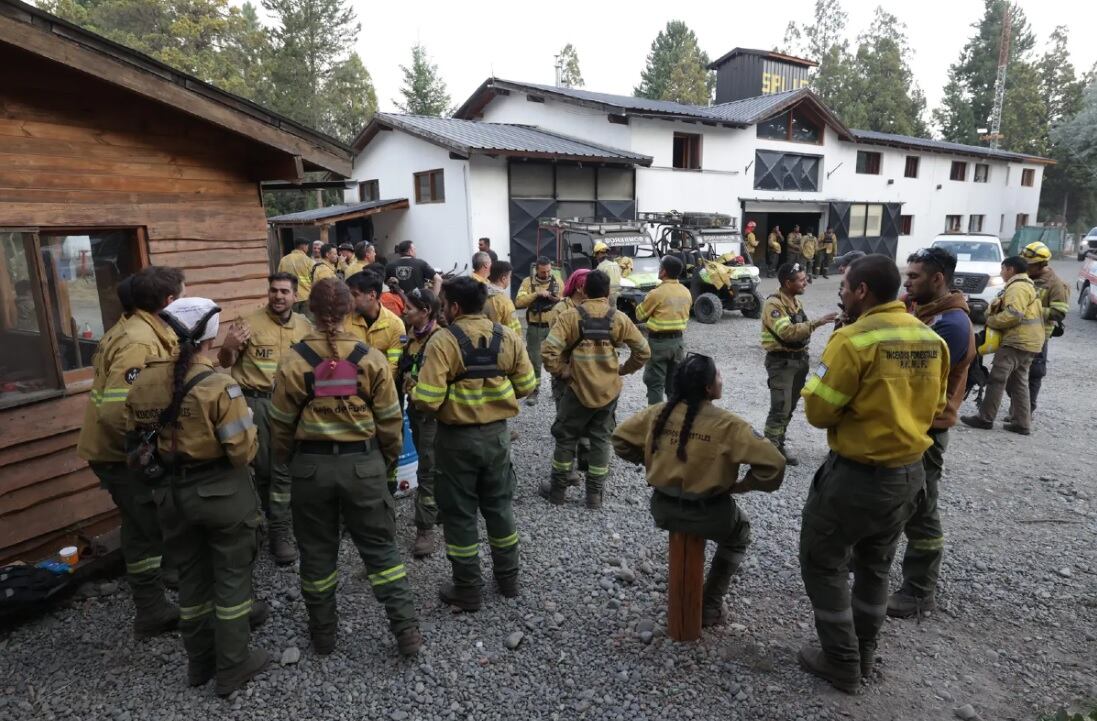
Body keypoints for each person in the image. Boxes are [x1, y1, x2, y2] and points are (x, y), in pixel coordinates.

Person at [797, 254, 949, 693]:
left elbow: (819, 411)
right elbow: (937, 408)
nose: (841, 293)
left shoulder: (852, 341)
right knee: (876, 566)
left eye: (845, 286)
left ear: (862, 291)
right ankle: (864, 652)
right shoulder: (930, 339)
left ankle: (841, 661)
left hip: (857, 478)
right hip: (907, 476)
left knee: (822, 562)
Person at [268, 278, 422, 657]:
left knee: (317, 554)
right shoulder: (370, 359)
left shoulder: (292, 360)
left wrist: (289, 461)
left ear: (312, 312)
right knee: (382, 553)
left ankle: (323, 637)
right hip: (364, 467)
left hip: (311, 470)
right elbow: (389, 423)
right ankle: (406, 634)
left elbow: (280, 426)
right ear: (350, 310)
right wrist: (382, 463)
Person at [124, 297, 270, 696]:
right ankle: (233, 665)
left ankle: (199, 663)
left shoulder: (144, 380)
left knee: (190, 580)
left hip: (170, 494)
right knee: (232, 579)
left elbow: (130, 431)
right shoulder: (221, 385)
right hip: (222, 494)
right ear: (210, 335)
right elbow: (242, 451)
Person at [612, 354, 786, 626]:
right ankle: (710, 603)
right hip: (710, 513)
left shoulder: (658, 412)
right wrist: (743, 485)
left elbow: (620, 439)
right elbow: (774, 463)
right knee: (740, 533)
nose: (721, 380)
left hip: (663, 509)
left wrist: (652, 460)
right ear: (708, 388)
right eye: (718, 376)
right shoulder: (729, 425)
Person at [411, 276, 537, 611]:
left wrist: (415, 387)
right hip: (496, 437)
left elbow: (428, 399)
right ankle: (508, 580)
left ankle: (467, 589)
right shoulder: (507, 336)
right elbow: (526, 384)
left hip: (456, 440)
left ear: (453, 306)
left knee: (459, 513)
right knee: (499, 507)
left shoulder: (442, 342)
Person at [76, 266, 183, 639]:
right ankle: (153, 608)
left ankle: (157, 597)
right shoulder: (140, 342)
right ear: (168, 301)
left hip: (119, 452)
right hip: (120, 455)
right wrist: (151, 446)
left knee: (143, 525)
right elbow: (115, 411)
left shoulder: (139, 329)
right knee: (147, 527)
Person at [888, 247, 975, 619]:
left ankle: (920, 590)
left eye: (914, 277)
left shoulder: (951, 325)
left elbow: (915, 378)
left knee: (922, 510)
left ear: (938, 279)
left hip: (927, 431)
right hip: (909, 425)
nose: (906, 283)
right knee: (894, 501)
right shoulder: (926, 312)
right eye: (906, 276)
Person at [217, 273, 311, 565]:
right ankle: (262, 528)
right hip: (257, 404)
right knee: (260, 470)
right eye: (273, 290)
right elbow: (225, 362)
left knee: (285, 469)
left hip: (293, 405)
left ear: (295, 296)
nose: (278, 296)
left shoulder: (305, 326)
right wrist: (230, 344)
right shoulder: (248, 323)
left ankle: (281, 530)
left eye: (284, 291)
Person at [540, 270, 650, 509]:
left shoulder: (570, 317)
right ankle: (594, 496)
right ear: (608, 292)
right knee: (601, 439)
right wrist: (622, 370)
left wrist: (562, 371)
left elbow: (548, 351)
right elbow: (643, 351)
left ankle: (558, 492)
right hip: (608, 392)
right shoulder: (619, 318)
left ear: (584, 290)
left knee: (566, 436)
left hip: (577, 390)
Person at [761, 263, 837, 466]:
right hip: (781, 363)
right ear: (788, 283)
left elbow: (799, 328)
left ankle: (778, 444)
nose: (806, 283)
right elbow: (787, 332)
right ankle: (768, 452)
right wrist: (817, 322)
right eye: (802, 280)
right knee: (780, 407)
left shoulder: (794, 302)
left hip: (798, 360)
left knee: (790, 406)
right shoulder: (773, 305)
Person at [960, 256, 1045, 435]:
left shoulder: (1017, 287)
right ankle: (1022, 423)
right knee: (1019, 382)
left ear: (1010, 269)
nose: (1001, 272)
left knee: (997, 379)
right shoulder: (1028, 285)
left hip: (1016, 341)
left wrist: (992, 321)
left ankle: (985, 418)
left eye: (1003, 269)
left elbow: (1014, 314)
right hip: (1031, 342)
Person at [398, 288, 444, 558]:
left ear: (426, 311)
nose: (404, 312)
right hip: (417, 414)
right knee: (432, 466)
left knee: (427, 470)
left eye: (410, 308)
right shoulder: (413, 339)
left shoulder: (440, 340)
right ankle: (438, 512)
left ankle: (425, 528)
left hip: (433, 416)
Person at [1021, 241, 1069, 414]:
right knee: (1016, 373)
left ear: (1042, 264)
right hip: (1020, 334)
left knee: (1034, 373)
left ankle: (1027, 411)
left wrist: (1032, 311)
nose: (1026, 268)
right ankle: (1019, 409)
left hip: (1040, 335)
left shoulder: (1055, 284)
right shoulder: (1027, 279)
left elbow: (1059, 312)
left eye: (1030, 265)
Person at [636, 255, 692, 405]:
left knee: (655, 383)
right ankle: (673, 418)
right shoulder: (686, 292)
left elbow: (640, 315)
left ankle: (655, 420)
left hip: (658, 344)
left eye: (660, 268)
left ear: (663, 272)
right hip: (678, 343)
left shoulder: (656, 293)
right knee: (673, 384)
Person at [514, 256, 562, 405]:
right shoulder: (528, 283)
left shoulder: (557, 282)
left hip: (553, 327)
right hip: (535, 327)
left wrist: (557, 299)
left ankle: (557, 389)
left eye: (548, 271)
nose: (546, 274)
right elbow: (519, 302)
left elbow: (566, 300)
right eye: (543, 272)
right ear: (537, 270)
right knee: (534, 360)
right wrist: (536, 294)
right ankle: (534, 390)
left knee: (556, 358)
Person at [345, 271, 406, 373]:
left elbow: (393, 364)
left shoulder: (395, 324)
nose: (349, 299)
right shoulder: (343, 320)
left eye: (355, 295)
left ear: (372, 295)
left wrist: (377, 386)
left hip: (381, 383)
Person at [487, 260, 522, 336]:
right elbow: (513, 328)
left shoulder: (481, 295)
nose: (510, 279)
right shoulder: (504, 301)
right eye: (510, 276)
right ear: (503, 279)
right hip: (503, 343)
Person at [278, 239, 314, 313]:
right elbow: (314, 277)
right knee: (307, 322)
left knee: (291, 321)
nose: (308, 248)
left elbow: (279, 278)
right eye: (307, 246)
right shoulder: (308, 260)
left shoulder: (284, 260)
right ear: (304, 246)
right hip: (306, 296)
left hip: (289, 296)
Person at [592, 241, 622, 307]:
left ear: (598, 253)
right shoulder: (615, 263)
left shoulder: (601, 266)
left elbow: (598, 283)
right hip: (616, 293)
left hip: (606, 295)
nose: (596, 258)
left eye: (596, 255)